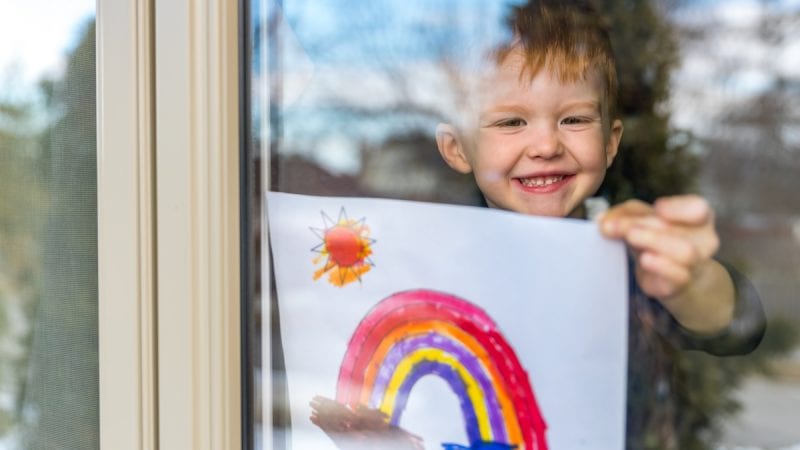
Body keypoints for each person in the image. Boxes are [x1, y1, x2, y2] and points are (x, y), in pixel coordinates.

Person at [431, 0, 765, 447]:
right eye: (511, 122)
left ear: (609, 144)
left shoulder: (631, 250)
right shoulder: (435, 259)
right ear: (457, 149)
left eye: (574, 119)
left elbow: (737, 326)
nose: (546, 144)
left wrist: (691, 281)